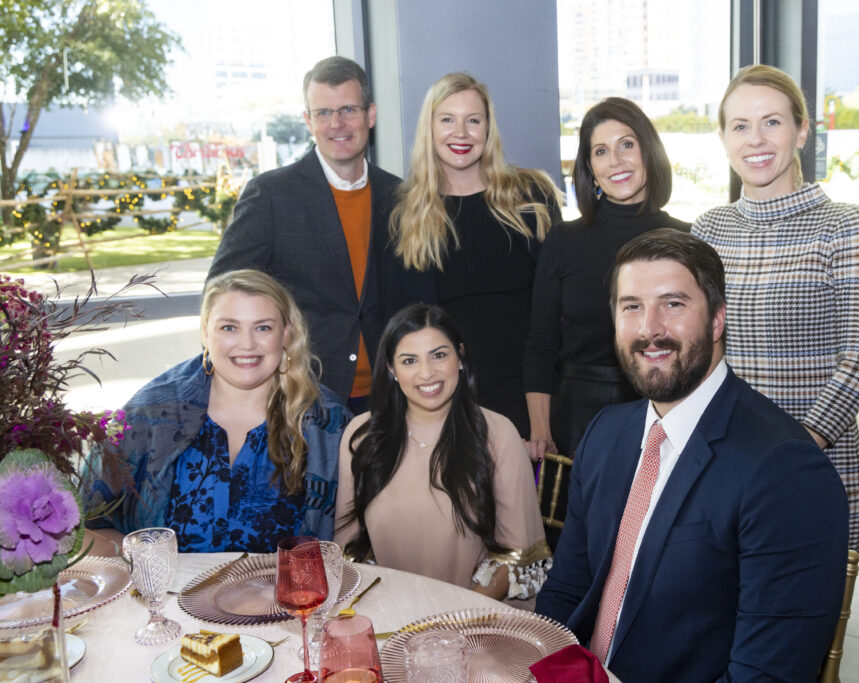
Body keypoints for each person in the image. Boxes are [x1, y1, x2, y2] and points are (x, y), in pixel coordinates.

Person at [534, 229, 849, 682]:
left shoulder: (785, 469)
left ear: (718, 320)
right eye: (632, 307)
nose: (650, 329)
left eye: (673, 304)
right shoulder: (606, 434)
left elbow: (765, 675)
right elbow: (566, 592)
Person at [691, 64, 859, 551]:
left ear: (801, 132)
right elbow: (697, 351)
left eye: (772, 122)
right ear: (723, 138)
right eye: (740, 126)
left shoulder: (843, 226)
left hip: (816, 468)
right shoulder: (708, 229)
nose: (755, 139)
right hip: (723, 472)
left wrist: (791, 450)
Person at [85, 270, 351, 553]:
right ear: (205, 332)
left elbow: (352, 543)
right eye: (229, 328)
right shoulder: (149, 413)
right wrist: (141, 560)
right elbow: (83, 527)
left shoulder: (328, 423)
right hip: (168, 584)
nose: (247, 344)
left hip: (287, 585)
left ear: (286, 334)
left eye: (263, 328)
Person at [207, 56, 401, 413]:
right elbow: (222, 293)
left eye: (348, 109)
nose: (337, 123)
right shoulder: (270, 195)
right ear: (308, 120)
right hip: (303, 396)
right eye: (323, 113)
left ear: (370, 115)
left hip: (390, 394)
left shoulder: (400, 195)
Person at [334, 304, 551, 601]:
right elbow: (349, 550)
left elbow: (517, 557)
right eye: (409, 360)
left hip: (475, 614)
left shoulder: (498, 434)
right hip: (388, 612)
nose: (426, 373)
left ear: (459, 357)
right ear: (391, 369)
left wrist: (454, 618)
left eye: (438, 355)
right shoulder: (363, 437)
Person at [384, 72, 562, 437]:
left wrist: (541, 418)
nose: (461, 133)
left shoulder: (532, 196)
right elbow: (398, 327)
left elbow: (555, 317)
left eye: (473, 120)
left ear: (488, 128)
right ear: (429, 128)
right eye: (447, 120)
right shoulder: (404, 213)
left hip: (529, 400)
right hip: (443, 404)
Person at [524, 97, 690, 464]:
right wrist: (540, 430)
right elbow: (540, 346)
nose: (615, 160)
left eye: (626, 144)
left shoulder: (687, 239)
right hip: (577, 420)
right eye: (601, 151)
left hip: (668, 408)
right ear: (590, 168)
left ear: (649, 151)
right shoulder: (564, 240)